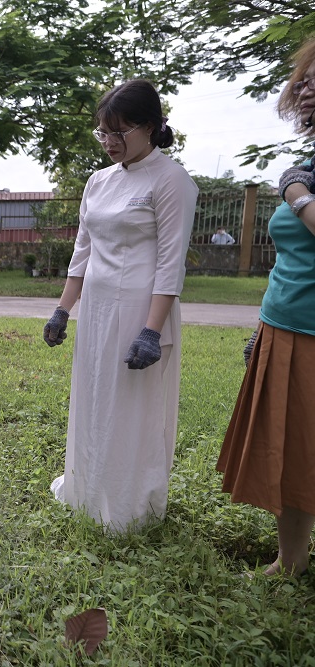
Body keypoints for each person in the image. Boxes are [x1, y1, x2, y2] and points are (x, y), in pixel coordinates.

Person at [43, 80, 198, 531]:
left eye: (119, 133)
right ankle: (87, 489)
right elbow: (83, 249)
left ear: (150, 127)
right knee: (93, 398)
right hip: (95, 307)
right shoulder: (99, 180)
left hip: (139, 311)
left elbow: (171, 264)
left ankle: (128, 506)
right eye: (103, 133)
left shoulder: (172, 181)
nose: (109, 143)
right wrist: (63, 308)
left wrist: (152, 331)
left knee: (130, 408)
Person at [217, 39, 315, 577]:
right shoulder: (307, 164)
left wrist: (298, 194)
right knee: (295, 450)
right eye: (302, 80)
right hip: (286, 324)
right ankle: (291, 560)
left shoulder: (302, 178)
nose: (304, 90)